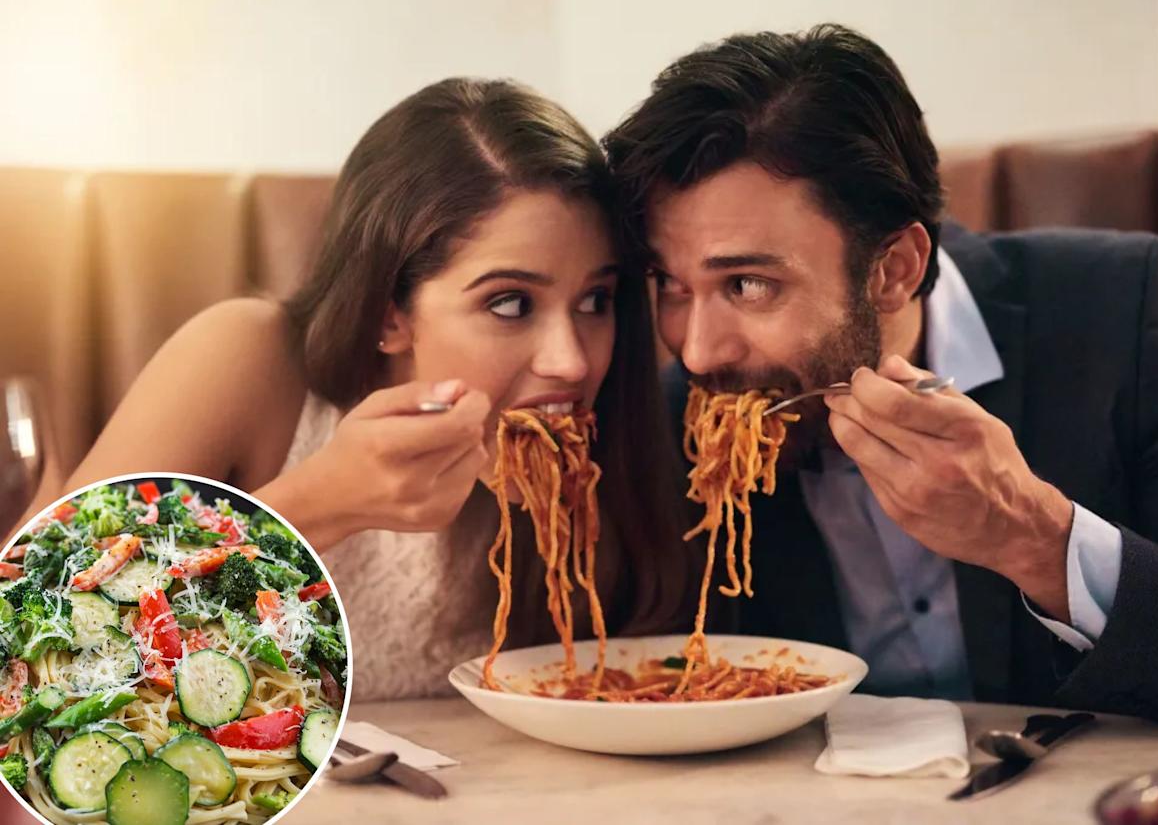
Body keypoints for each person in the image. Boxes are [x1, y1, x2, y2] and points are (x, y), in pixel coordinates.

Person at [603, 23, 1158, 729]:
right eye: (669, 284)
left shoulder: (1129, 314)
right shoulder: (674, 425)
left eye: (748, 285)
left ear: (895, 269)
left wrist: (1034, 537)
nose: (697, 352)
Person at [25, 78, 692, 701]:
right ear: (388, 313)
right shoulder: (248, 359)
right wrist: (317, 506)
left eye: (595, 300)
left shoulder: (619, 432)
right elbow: (33, 637)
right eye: (511, 304)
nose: (572, 361)